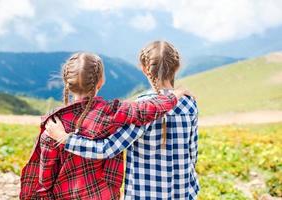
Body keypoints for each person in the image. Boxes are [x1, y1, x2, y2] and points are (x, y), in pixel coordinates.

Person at [20, 52, 187, 200]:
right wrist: (173, 96)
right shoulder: (111, 112)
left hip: (63, 194)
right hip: (103, 194)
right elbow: (146, 110)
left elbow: (45, 178)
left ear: (66, 82)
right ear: (101, 81)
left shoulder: (53, 125)